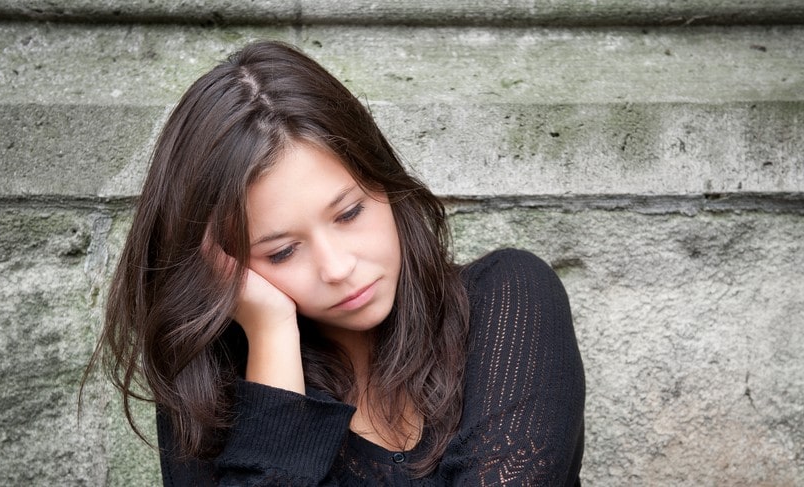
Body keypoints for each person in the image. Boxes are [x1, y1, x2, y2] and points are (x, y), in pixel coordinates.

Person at [85, 40, 585, 485]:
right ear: (225, 266)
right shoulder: (208, 398)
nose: (337, 267)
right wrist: (272, 335)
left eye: (348, 213)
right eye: (281, 251)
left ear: (384, 182)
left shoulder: (510, 299)